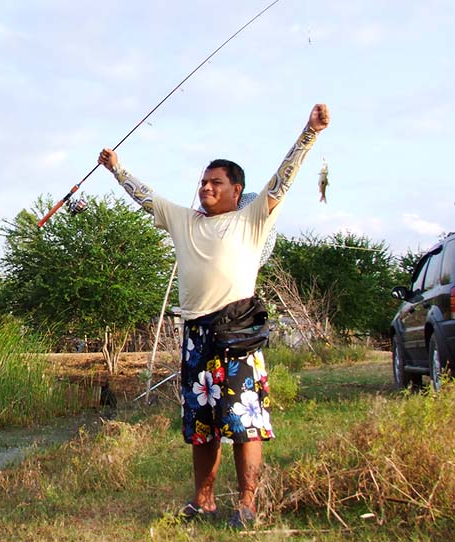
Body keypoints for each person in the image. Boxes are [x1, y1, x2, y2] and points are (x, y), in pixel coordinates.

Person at [98, 104, 330, 528]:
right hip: (196, 337)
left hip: (237, 332)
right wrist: (117, 169)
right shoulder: (185, 221)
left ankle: (247, 504)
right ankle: (203, 501)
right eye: (203, 181)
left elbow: (284, 179)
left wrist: (308, 133)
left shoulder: (252, 218)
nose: (205, 187)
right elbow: (146, 197)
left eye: (215, 182)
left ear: (236, 190)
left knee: (245, 422)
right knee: (201, 427)